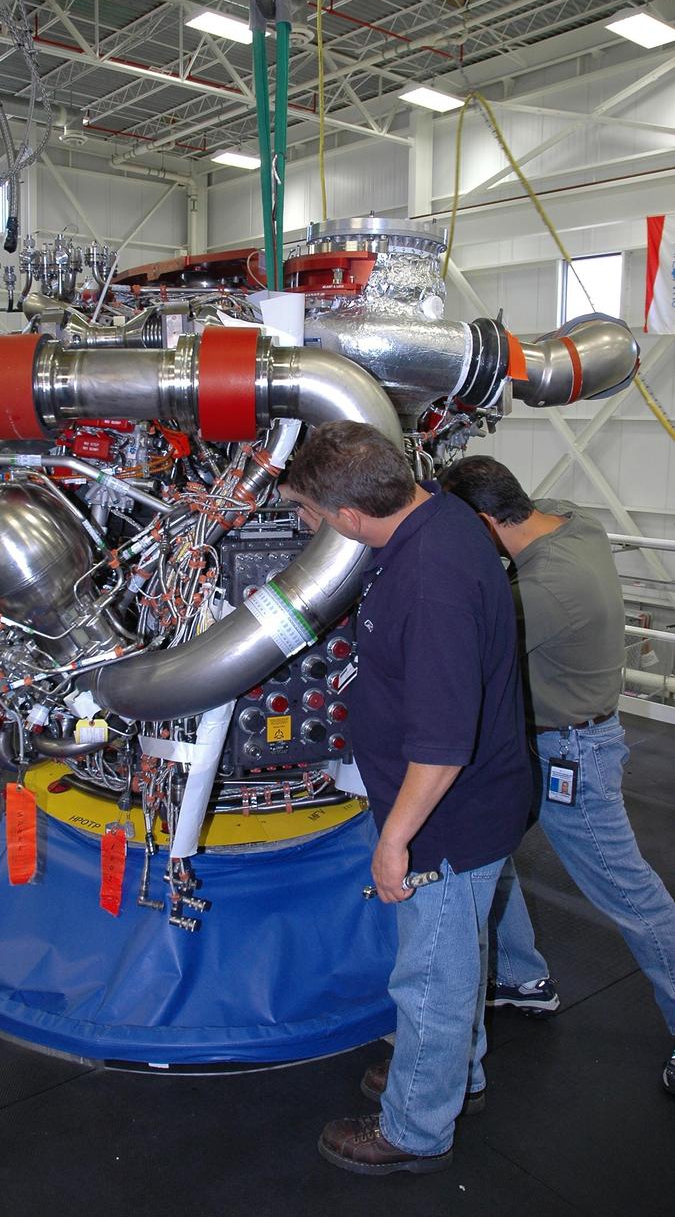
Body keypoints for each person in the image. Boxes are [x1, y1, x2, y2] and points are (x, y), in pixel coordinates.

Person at [280, 421, 533, 1175]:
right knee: (452, 957)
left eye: (309, 516)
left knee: (430, 976)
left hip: (444, 819)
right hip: (464, 804)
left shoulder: (430, 578)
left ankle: (416, 1128)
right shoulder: (439, 516)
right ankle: (451, 1075)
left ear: (351, 517)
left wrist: (395, 841)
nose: (305, 527)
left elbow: (442, 742)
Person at [441, 455, 675, 1095]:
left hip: (572, 755)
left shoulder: (543, 593)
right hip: (541, 742)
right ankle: (520, 975)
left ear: (486, 525)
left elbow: (463, 638)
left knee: (631, 897)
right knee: (494, 852)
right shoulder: (577, 524)